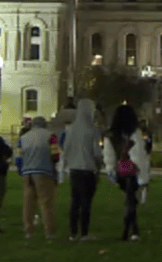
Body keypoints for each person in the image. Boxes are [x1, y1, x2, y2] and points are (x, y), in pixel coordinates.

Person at [62, 98, 103, 241]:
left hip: (74, 169)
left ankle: (72, 233)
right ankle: (84, 232)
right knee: (86, 202)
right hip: (88, 169)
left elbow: (66, 149)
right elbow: (97, 152)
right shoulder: (92, 130)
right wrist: (99, 164)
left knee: (75, 202)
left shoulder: (71, 129)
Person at [109, 104, 149, 241]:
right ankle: (129, 231)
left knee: (130, 200)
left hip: (120, 171)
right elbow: (140, 155)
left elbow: (109, 155)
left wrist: (111, 171)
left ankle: (133, 229)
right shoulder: (135, 133)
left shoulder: (113, 134)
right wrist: (144, 176)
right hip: (132, 170)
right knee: (131, 202)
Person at [19, 116, 59, 240]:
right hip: (44, 171)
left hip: (27, 172)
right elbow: (55, 155)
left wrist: (22, 171)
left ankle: (28, 230)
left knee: (28, 203)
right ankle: (49, 231)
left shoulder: (23, 137)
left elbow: (19, 158)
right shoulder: (51, 136)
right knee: (46, 202)